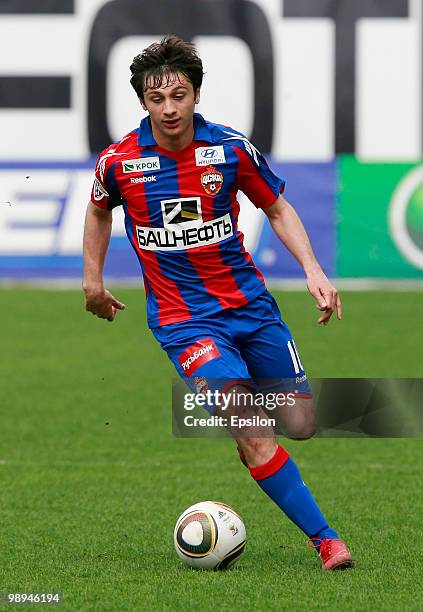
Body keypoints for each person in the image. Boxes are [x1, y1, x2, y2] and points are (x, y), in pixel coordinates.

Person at [83, 35, 353, 570]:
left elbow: (276, 209)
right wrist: (92, 282)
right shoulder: (120, 162)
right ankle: (326, 540)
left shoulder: (229, 149)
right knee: (253, 427)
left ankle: (249, 428)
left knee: (299, 423)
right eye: (156, 99)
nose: (169, 108)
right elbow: (98, 212)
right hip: (184, 323)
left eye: (178, 96)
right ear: (142, 102)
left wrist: (313, 270)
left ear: (196, 94)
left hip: (250, 308)